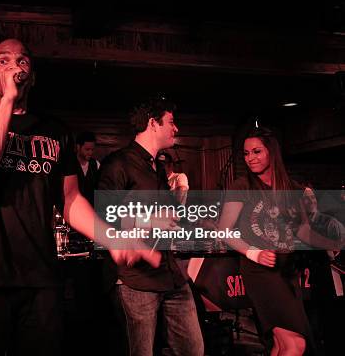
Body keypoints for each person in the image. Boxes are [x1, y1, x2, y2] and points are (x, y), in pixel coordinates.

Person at [0, 38, 160, 355]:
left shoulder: (56, 130)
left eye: (22, 62)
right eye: (3, 61)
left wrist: (111, 237)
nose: (14, 67)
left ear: (32, 75)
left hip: (41, 280)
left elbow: (70, 200)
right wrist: (7, 103)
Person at [218, 127, 343, 356]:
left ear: (271, 152)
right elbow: (224, 231)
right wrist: (253, 253)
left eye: (256, 151)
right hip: (260, 272)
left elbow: (304, 233)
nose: (250, 158)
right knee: (297, 344)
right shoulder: (242, 186)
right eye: (246, 154)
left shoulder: (294, 190)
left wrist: (331, 242)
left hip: (288, 273)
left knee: (282, 345)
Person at [97, 98, 204, 356]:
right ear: (153, 124)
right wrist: (149, 220)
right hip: (137, 280)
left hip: (170, 274)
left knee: (194, 350)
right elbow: (102, 215)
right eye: (171, 122)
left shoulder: (157, 167)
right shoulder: (118, 163)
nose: (175, 128)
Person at [75, 131, 101, 205]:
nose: (90, 152)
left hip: (90, 209)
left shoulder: (96, 164)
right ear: (78, 147)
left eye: (92, 150)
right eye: (87, 149)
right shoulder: (70, 164)